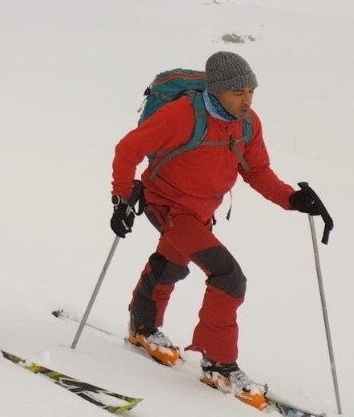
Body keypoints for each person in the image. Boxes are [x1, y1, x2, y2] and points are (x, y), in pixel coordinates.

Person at [110, 50, 332, 408]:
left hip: (201, 210)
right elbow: (128, 148)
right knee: (228, 276)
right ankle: (219, 364)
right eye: (237, 92)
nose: (246, 100)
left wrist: (293, 199)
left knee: (174, 263)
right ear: (216, 90)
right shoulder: (182, 116)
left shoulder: (247, 124)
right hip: (167, 205)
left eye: (251, 91)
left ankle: (142, 325)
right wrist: (121, 198)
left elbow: (257, 172)